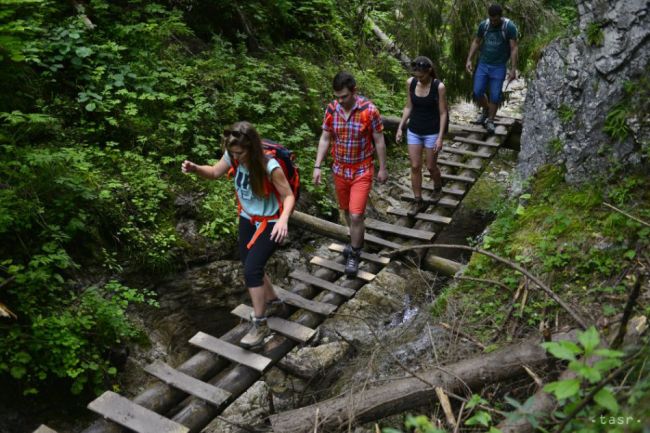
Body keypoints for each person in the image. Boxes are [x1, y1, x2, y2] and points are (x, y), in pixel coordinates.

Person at [181, 121, 295, 349]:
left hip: (270, 223)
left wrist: (283, 220)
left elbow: (288, 196)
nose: (237, 157)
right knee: (250, 264)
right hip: (247, 219)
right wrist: (195, 168)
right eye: (233, 153)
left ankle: (260, 323)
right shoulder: (233, 155)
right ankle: (274, 302)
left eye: (240, 153)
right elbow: (214, 172)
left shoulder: (269, 166)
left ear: (251, 148)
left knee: (251, 269)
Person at [313, 71, 388, 278]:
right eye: (337, 96)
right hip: (339, 170)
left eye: (344, 96)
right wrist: (317, 166)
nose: (340, 100)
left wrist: (383, 168)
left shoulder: (369, 111)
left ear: (354, 91)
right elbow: (325, 138)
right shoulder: (332, 109)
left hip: (362, 169)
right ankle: (355, 240)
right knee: (346, 212)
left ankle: (355, 252)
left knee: (356, 215)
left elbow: (379, 140)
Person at [396, 56, 448, 214]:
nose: (419, 79)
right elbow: (408, 106)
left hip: (432, 131)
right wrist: (400, 127)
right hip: (414, 130)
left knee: (431, 166)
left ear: (429, 71)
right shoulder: (410, 83)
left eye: (422, 76)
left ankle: (437, 187)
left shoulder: (438, 87)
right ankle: (418, 201)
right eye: (417, 76)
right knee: (415, 166)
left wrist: (440, 137)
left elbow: (443, 113)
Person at [465, 3, 518, 135]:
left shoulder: (509, 27)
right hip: (483, 64)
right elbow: (477, 41)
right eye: (491, 19)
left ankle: (490, 120)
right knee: (477, 92)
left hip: (499, 66)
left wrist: (513, 69)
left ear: (500, 16)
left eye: (495, 19)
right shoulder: (484, 25)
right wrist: (469, 59)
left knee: (495, 95)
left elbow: (513, 48)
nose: (493, 22)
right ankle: (487, 110)